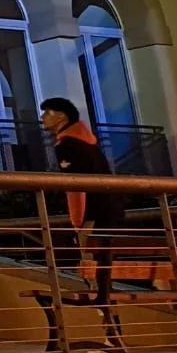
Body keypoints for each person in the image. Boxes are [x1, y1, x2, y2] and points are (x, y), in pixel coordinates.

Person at [41, 96, 127, 304]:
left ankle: (106, 314)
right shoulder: (87, 142)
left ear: (61, 117)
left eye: (48, 112)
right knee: (103, 264)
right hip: (109, 210)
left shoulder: (67, 145)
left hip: (92, 213)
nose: (42, 117)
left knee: (92, 268)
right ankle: (108, 312)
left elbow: (75, 186)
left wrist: (77, 221)